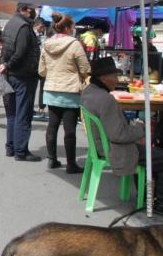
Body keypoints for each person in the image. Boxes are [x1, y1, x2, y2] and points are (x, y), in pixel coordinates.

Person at [81, 57, 163, 214]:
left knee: (149, 151)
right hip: (113, 149)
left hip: (100, 145)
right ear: (104, 78)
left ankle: (147, 196)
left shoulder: (89, 92)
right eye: (115, 76)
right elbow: (118, 135)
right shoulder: (106, 100)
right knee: (158, 156)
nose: (117, 80)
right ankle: (158, 203)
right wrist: (141, 128)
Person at [39, 15, 91, 173]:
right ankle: (71, 163)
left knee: (52, 127)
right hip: (70, 90)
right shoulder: (74, 44)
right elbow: (85, 69)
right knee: (70, 130)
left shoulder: (46, 44)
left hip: (51, 90)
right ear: (68, 28)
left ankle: (52, 159)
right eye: (73, 26)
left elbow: (41, 71)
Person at [0, 2, 41, 162]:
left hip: (12, 74)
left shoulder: (10, 23)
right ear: (26, 10)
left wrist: (5, 65)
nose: (35, 13)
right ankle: (21, 150)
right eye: (33, 10)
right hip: (23, 75)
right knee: (23, 114)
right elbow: (21, 52)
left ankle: (11, 147)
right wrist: (8, 65)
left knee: (12, 114)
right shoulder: (24, 26)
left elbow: (5, 49)